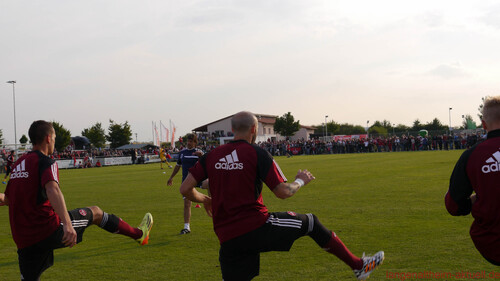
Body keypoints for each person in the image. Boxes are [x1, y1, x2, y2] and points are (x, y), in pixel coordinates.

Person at [180, 111, 384, 281]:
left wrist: (206, 199)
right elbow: (283, 192)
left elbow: (186, 189)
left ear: (232, 130)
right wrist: (301, 180)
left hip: (227, 237)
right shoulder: (257, 153)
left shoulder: (212, 155)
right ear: (254, 129)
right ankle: (358, 266)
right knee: (311, 223)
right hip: (256, 227)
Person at [0, 120, 153, 281]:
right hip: (48, 229)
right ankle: (140, 235)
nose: (54, 141)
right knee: (96, 212)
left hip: (24, 238)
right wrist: (67, 224)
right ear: (48, 138)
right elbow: (52, 189)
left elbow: (8, 198)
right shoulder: (46, 161)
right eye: (54, 137)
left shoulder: (18, 164)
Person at [445, 96, 500, 266]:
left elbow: (453, 205)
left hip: (493, 243)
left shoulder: (472, 155)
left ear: (484, 125)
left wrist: (472, 200)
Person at [167, 133, 206, 234]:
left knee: (210, 184)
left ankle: (213, 203)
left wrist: (201, 156)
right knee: (187, 204)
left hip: (198, 179)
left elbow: (206, 164)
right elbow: (177, 166)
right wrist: (171, 177)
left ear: (195, 143)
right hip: (186, 181)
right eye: (187, 141)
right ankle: (186, 227)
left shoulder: (199, 152)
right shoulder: (182, 153)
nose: (188, 143)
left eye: (191, 141)